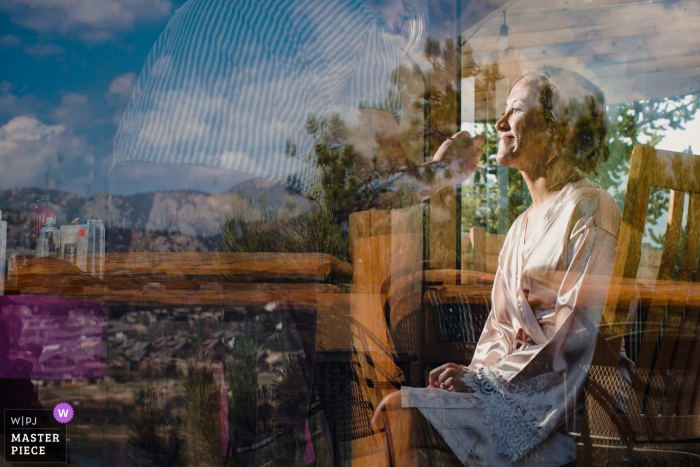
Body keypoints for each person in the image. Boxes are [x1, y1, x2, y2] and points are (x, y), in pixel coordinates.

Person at [372, 67, 632, 466]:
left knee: (400, 413)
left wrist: (481, 382)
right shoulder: (520, 226)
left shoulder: (590, 206)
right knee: (400, 409)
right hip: (512, 389)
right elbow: (499, 330)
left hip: (567, 405)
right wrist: (472, 377)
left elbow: (574, 333)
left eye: (516, 109)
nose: (499, 122)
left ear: (558, 128)